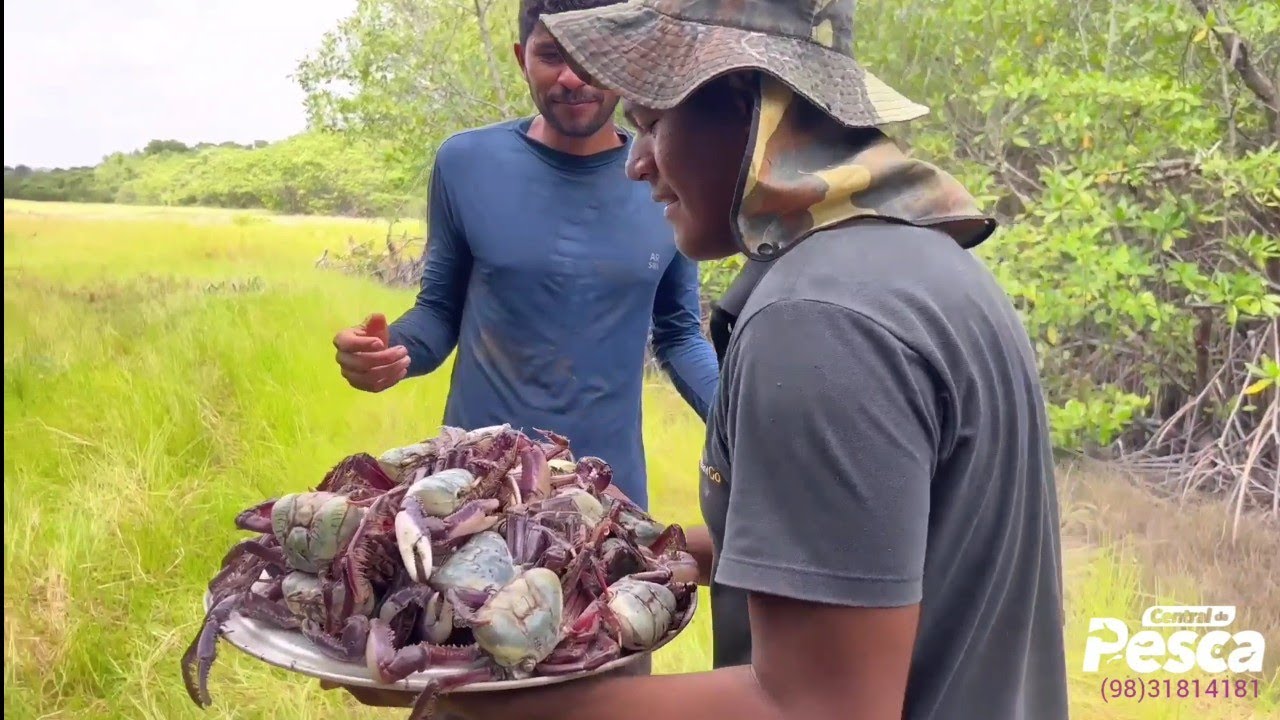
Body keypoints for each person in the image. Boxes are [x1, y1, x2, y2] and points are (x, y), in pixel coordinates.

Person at [335, 1, 1071, 719]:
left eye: (653, 122)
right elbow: (852, 544)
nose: (638, 162)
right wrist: (607, 554)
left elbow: (815, 706)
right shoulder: (916, 264)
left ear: (754, 113)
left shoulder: (816, 322)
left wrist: (460, 694)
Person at [329, 0, 720, 512]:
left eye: (594, 56)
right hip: (473, 489)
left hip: (606, 495)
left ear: (627, 58)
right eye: (552, 55)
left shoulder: (664, 174)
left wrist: (743, 420)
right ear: (521, 58)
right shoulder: (466, 163)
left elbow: (679, 335)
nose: (573, 77)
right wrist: (392, 351)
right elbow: (439, 312)